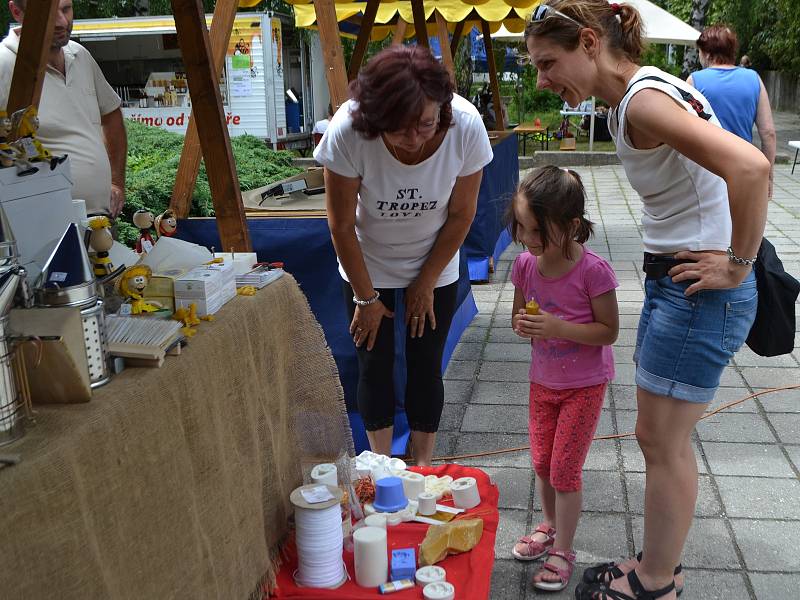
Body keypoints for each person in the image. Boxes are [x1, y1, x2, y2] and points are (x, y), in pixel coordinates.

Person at [524, 2, 769, 599]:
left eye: (547, 63)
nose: (541, 80)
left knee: (662, 443)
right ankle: (656, 564)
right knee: (657, 438)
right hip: (678, 285)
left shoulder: (642, 99)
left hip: (698, 293)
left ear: (589, 42)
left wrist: (738, 264)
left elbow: (753, 167)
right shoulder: (629, 101)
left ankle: (656, 581)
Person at [314, 45, 493, 466]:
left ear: (442, 111)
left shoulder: (466, 126)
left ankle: (424, 465)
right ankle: (383, 465)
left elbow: (462, 214)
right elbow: (341, 224)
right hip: (367, 263)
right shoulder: (348, 131)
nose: (414, 140)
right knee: (373, 362)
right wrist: (366, 297)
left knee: (425, 362)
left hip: (435, 257)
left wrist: (426, 281)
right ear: (375, 119)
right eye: (398, 129)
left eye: (426, 125)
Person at [509, 165, 619, 592]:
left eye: (537, 230)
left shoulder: (594, 271)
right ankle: (549, 526)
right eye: (520, 227)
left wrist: (559, 328)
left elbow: (609, 331)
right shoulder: (524, 265)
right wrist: (525, 324)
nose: (526, 239)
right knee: (541, 462)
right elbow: (520, 319)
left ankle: (564, 549)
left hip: (584, 386)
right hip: (543, 382)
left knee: (565, 471)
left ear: (572, 226)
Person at [0, 0, 127, 218]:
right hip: (45, 227)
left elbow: (111, 114)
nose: (61, 21)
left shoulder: (80, 55)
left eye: (66, 9)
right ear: (16, 12)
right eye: (50, 14)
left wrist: (116, 182)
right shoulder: (4, 63)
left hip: (100, 219)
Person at [688, 25, 776, 197]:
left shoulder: (695, 81)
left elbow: (685, 132)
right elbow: (769, 133)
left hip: (707, 173)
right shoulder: (754, 79)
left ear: (707, 53)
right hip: (744, 170)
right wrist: (768, 176)